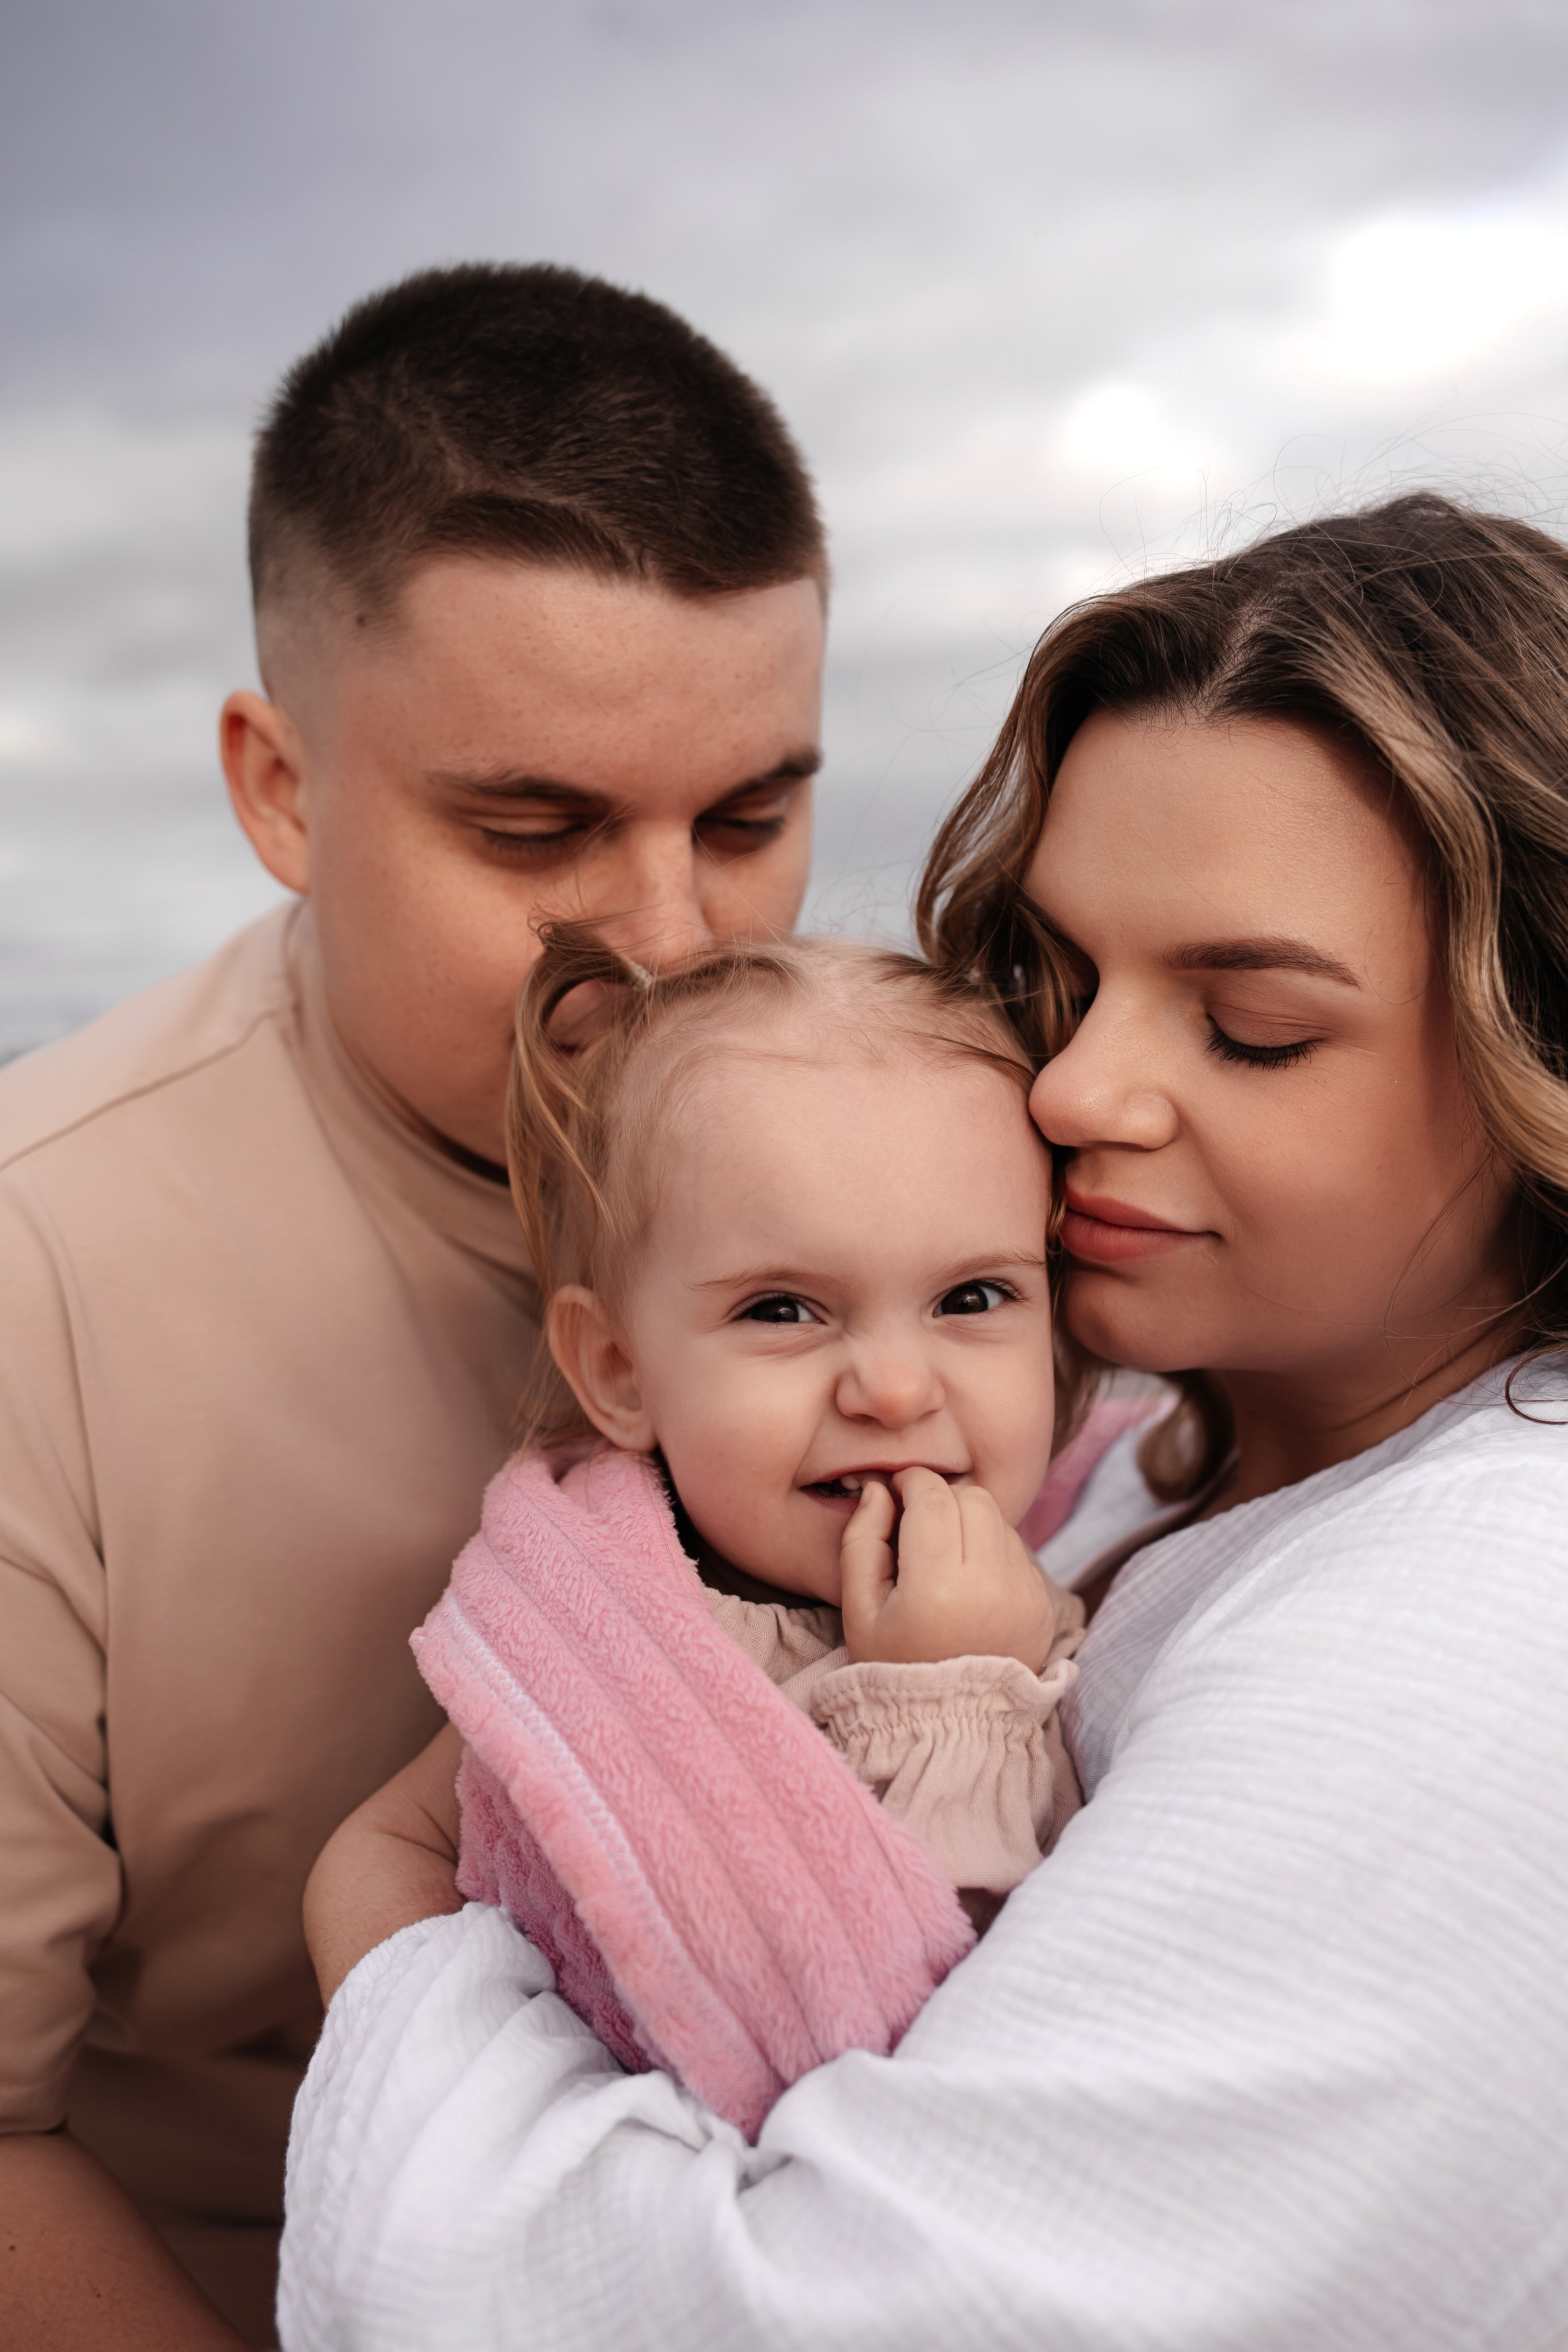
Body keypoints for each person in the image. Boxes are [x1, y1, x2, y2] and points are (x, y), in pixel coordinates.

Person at [279, 494, 1568, 2351]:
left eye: (1253, 1028)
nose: (1076, 1086)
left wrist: (390, 1931)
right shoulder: (1134, 1464)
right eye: (1060, 976)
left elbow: (804, 2318)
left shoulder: (1481, 1642)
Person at [0, 261, 826, 2350]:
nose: (665, 945)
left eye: (751, 820)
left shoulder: (921, 1153)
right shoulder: (37, 1277)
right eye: (536, 830)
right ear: (278, 787)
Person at [307, 929, 1091, 2128]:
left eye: (970, 1297)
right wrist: (452, 2076)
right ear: (619, 1372)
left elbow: (983, 2051)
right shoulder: (598, 1630)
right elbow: (386, 1843)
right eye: (783, 1309)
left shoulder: (1051, 1608)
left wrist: (958, 1692)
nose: (891, 1386)